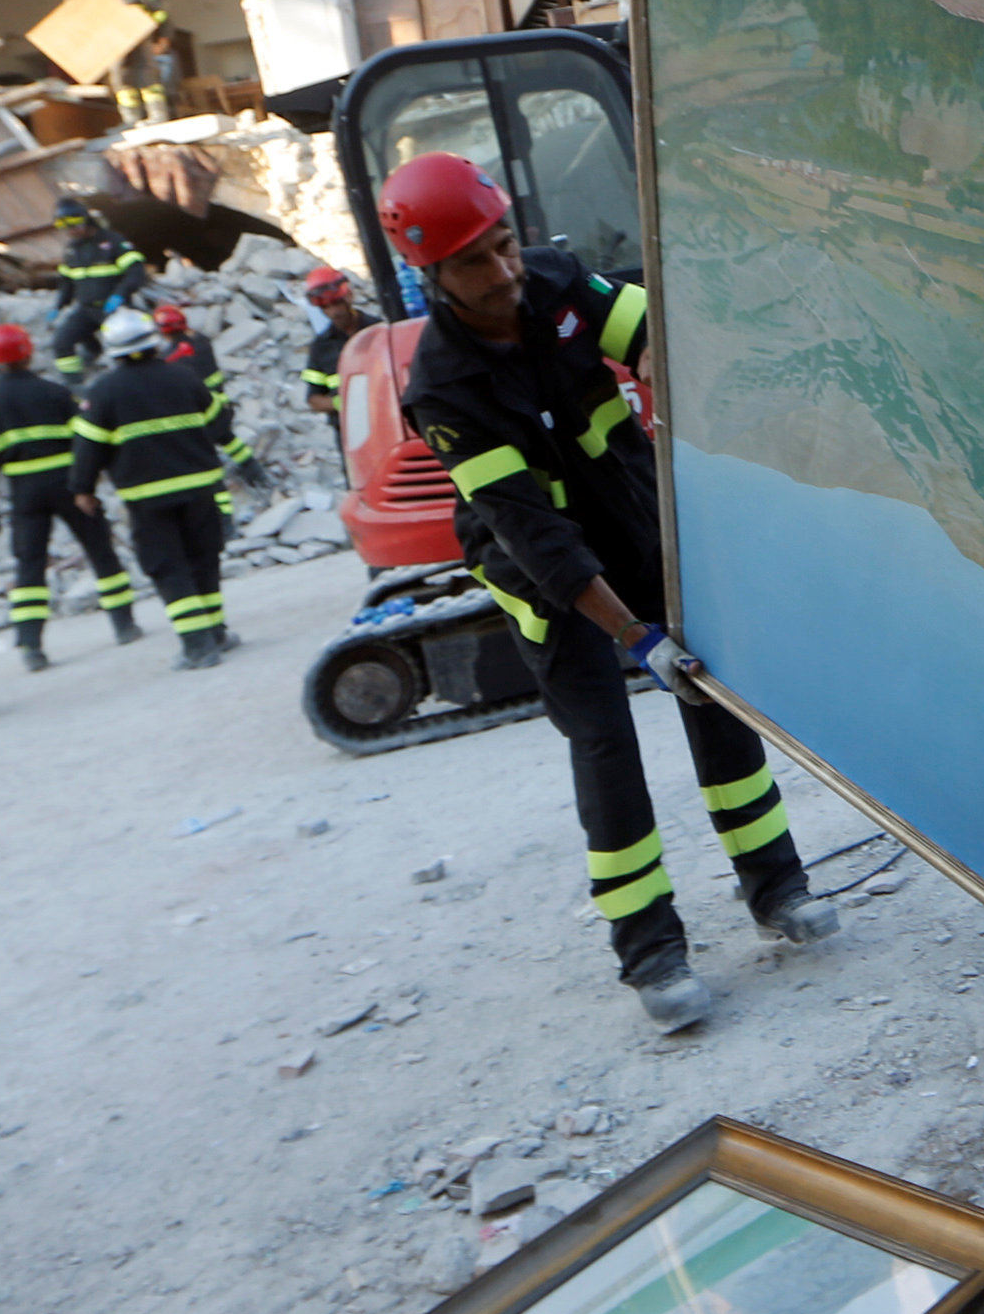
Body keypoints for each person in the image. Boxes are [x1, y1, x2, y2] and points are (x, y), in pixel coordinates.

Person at [379, 150, 841, 1035]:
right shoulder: (443, 389)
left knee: (715, 699)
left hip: (629, 521)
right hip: (545, 577)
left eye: (505, 243)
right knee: (605, 742)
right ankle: (651, 950)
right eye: (476, 260)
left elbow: (657, 329)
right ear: (432, 275)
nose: (505, 270)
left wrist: (673, 380)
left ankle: (777, 886)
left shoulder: (553, 280)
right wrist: (636, 640)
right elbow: (540, 541)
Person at [0, 321, 142, 668]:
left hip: (25, 494)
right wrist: (91, 482)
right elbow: (87, 439)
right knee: (100, 550)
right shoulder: (54, 393)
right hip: (69, 484)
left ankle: (32, 646)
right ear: (29, 353)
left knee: (30, 566)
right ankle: (124, 624)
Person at [69, 306, 234, 668]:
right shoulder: (185, 377)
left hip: (148, 498)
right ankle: (216, 632)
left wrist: (83, 489)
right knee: (203, 559)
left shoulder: (104, 392)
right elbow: (219, 424)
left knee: (167, 566)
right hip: (200, 489)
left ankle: (196, 645)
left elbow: (88, 447)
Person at [150, 300, 268, 487]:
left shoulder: (171, 358)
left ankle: (217, 493)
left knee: (202, 455)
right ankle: (255, 472)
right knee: (228, 439)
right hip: (220, 403)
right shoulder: (201, 341)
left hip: (198, 411)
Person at [46, 197, 149, 379]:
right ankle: (76, 384)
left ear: (86, 219)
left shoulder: (113, 241)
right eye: (66, 227)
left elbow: (136, 272)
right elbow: (67, 282)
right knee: (61, 342)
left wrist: (120, 295)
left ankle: (131, 378)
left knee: (124, 346)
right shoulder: (72, 249)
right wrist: (58, 305)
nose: (71, 231)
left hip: (115, 308)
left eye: (75, 225)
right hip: (86, 310)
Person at [97, 0, 170, 125]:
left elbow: (161, 9)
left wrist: (163, 39)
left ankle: (157, 116)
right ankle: (130, 119)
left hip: (142, 37)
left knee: (148, 75)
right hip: (116, 39)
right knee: (121, 78)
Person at [300, 264, 370, 458]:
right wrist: (345, 403)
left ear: (349, 296)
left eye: (337, 303)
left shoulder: (378, 330)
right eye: (326, 307)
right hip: (351, 434)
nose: (333, 312)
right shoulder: (321, 347)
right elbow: (313, 399)